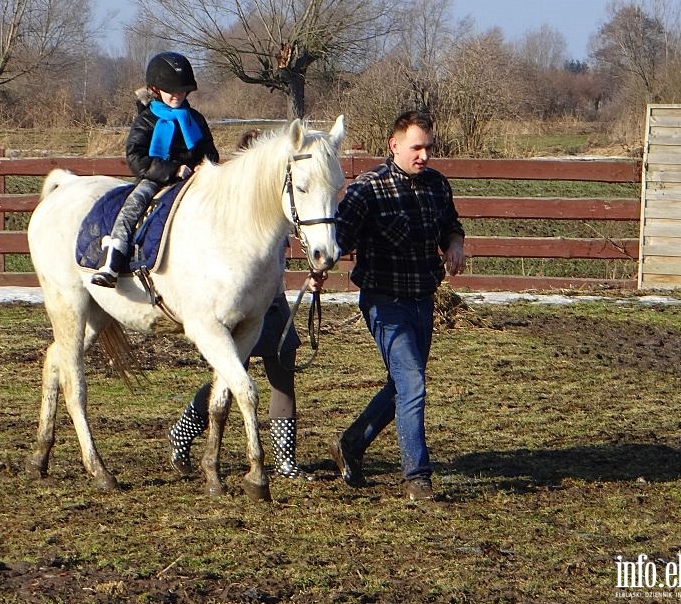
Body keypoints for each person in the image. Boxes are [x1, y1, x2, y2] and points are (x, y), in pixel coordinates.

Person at [328, 110, 466, 500]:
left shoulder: (437, 185)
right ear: (394, 145)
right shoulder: (367, 189)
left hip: (424, 299)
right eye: (416, 147)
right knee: (413, 384)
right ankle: (417, 477)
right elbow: (338, 237)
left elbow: (450, 224)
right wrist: (319, 267)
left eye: (428, 148)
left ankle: (351, 444)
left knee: (403, 386)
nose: (424, 156)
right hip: (383, 301)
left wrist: (455, 243)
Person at [166, 129, 310, 480]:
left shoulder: (276, 210)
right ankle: (183, 432)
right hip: (240, 308)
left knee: (282, 379)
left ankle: (285, 459)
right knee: (228, 380)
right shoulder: (234, 213)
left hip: (272, 305)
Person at [91, 51, 219, 287]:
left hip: (195, 179)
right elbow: (136, 158)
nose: (177, 95)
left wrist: (204, 164)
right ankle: (112, 260)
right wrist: (172, 169)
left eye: (182, 91)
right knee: (134, 203)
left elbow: (209, 151)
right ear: (156, 89)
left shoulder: (195, 119)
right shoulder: (146, 120)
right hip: (157, 178)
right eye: (172, 91)